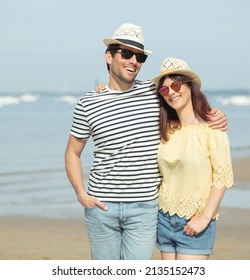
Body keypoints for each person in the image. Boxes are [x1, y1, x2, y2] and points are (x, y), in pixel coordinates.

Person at [64, 23, 228, 260]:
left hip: (145, 208)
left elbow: (185, 103)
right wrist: (81, 193)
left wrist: (217, 115)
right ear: (109, 56)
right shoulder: (88, 103)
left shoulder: (156, 94)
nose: (134, 61)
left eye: (140, 56)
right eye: (127, 53)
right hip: (101, 207)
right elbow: (72, 153)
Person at [151, 57, 234, 260]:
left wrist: (205, 217)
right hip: (163, 218)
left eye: (176, 85)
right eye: (164, 90)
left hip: (195, 222)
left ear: (189, 86)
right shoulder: (166, 128)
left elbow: (222, 178)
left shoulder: (212, 128)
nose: (171, 92)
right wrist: (103, 88)